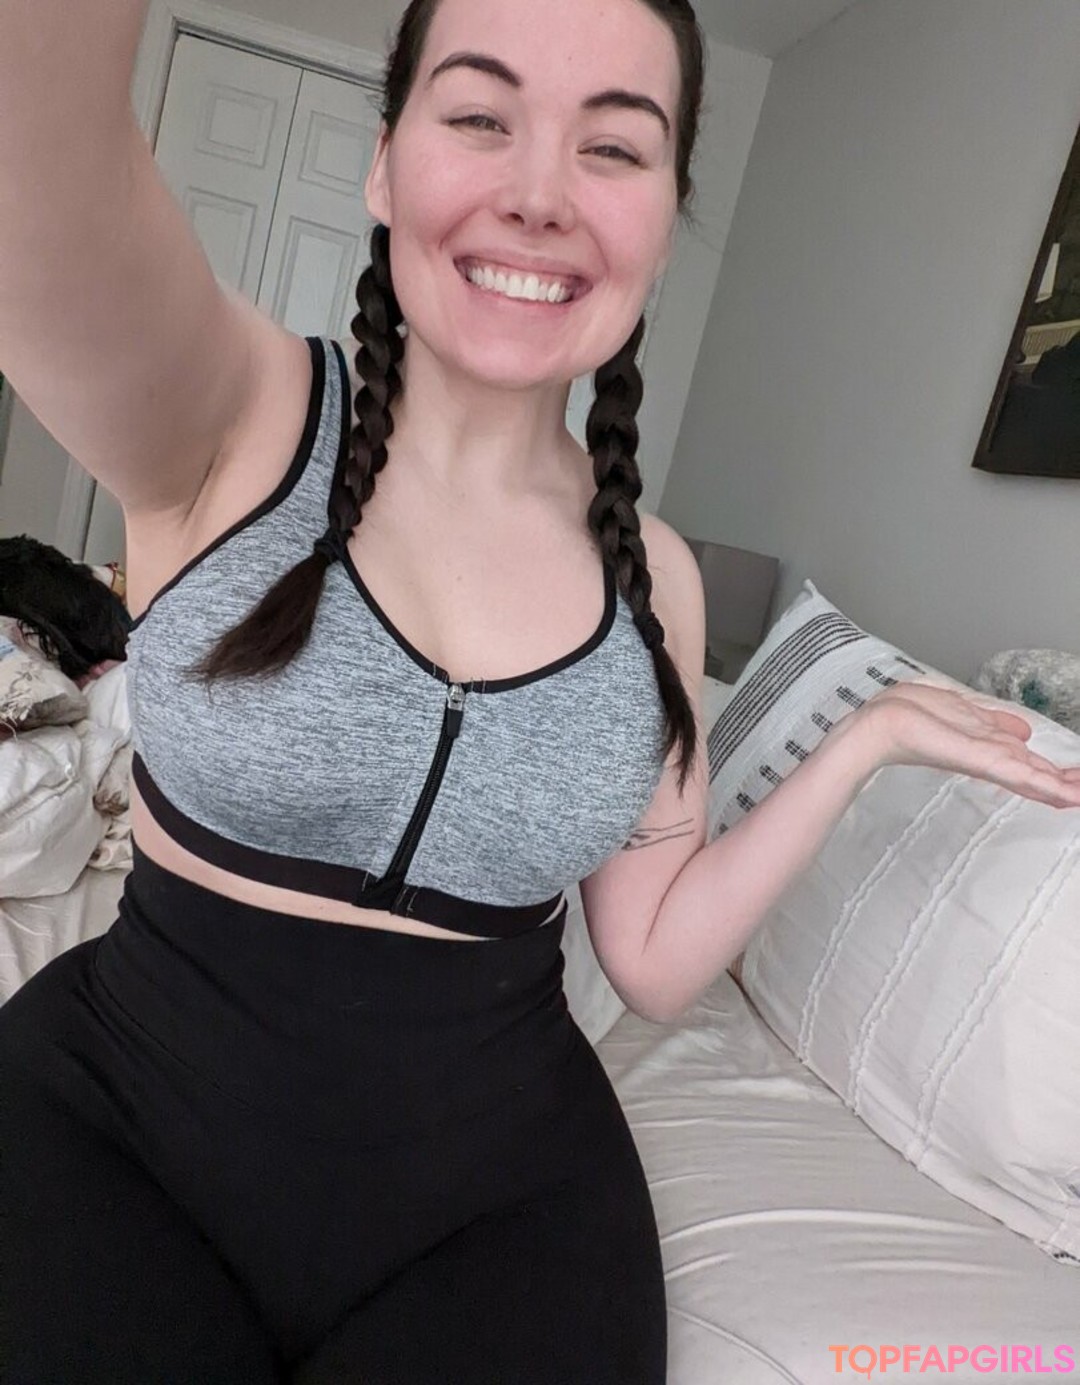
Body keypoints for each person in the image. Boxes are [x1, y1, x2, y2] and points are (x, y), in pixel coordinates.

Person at [1, 0, 1079, 1381]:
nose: (539, 194)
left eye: (613, 147)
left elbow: (653, 957)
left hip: (500, 1204)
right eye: (479, 115)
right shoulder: (229, 410)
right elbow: (29, 130)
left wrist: (860, 739)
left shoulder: (657, 579)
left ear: (667, 217)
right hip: (121, 1124)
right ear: (385, 160)